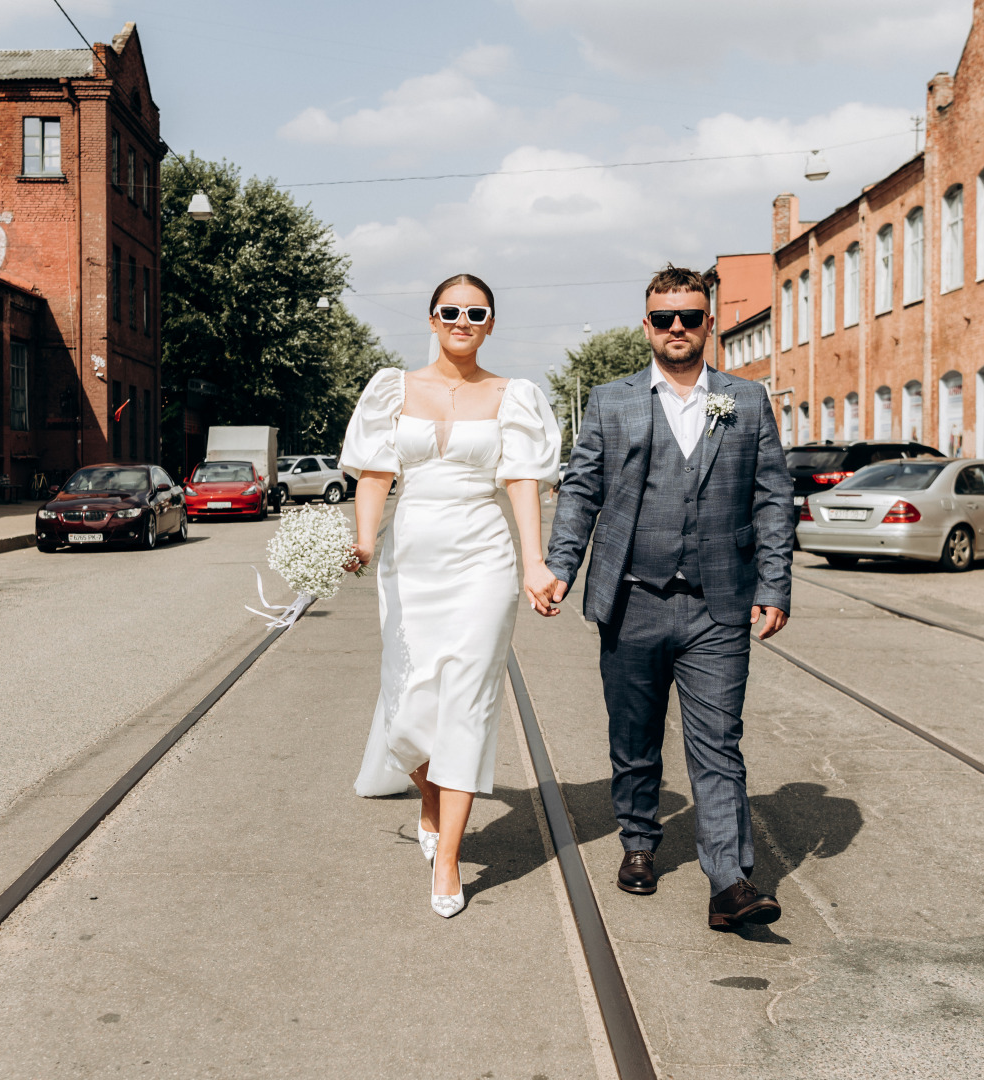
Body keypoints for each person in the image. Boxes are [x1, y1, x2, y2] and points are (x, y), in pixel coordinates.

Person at [532, 264, 795, 931]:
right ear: (645, 324)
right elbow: (581, 490)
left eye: (689, 317)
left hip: (717, 605)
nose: (676, 328)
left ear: (709, 323)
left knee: (718, 744)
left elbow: (771, 499)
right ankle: (640, 841)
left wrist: (773, 583)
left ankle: (729, 880)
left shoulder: (745, 399)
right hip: (630, 598)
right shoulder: (609, 401)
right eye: (663, 318)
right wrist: (559, 565)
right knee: (634, 738)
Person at [340, 274, 561, 919]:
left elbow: (522, 482)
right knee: (406, 704)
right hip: (411, 560)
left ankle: (447, 859)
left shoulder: (513, 395)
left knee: (465, 701)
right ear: (431, 318)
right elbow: (377, 475)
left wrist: (534, 562)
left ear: (491, 323)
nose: (463, 320)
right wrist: (362, 541)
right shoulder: (392, 389)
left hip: (483, 559)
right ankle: (431, 801)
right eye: (451, 310)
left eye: (477, 312)